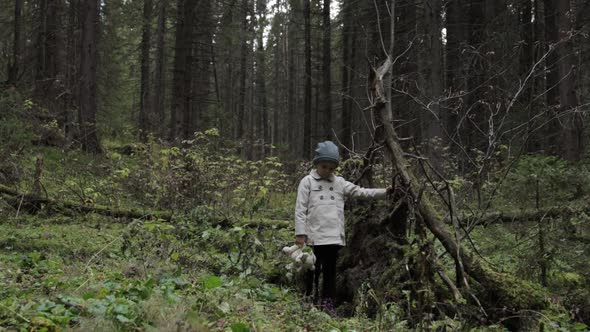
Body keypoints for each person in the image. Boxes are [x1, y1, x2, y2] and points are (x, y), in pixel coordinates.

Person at [294, 140, 391, 315]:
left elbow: (360, 191)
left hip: (333, 237)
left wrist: (385, 193)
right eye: (324, 167)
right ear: (317, 164)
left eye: (332, 168)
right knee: (312, 270)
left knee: (330, 272)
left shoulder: (339, 182)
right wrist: (300, 233)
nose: (328, 171)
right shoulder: (307, 182)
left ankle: (328, 304)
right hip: (314, 236)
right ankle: (309, 301)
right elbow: (300, 209)